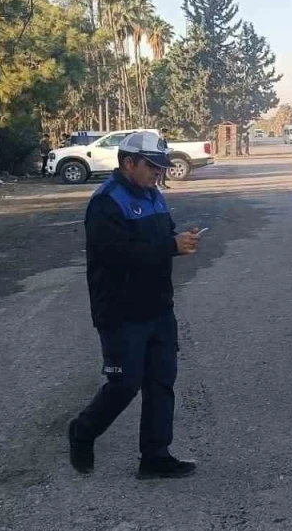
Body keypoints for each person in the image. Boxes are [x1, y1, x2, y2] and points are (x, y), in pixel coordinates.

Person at [67, 131, 202, 479]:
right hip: (121, 311)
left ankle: (155, 456)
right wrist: (170, 247)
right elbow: (117, 256)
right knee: (124, 384)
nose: (159, 174)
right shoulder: (106, 203)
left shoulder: (154, 194)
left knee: (161, 381)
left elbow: (162, 237)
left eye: (161, 167)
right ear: (128, 163)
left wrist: (180, 240)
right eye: (152, 167)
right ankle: (83, 431)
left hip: (158, 306)